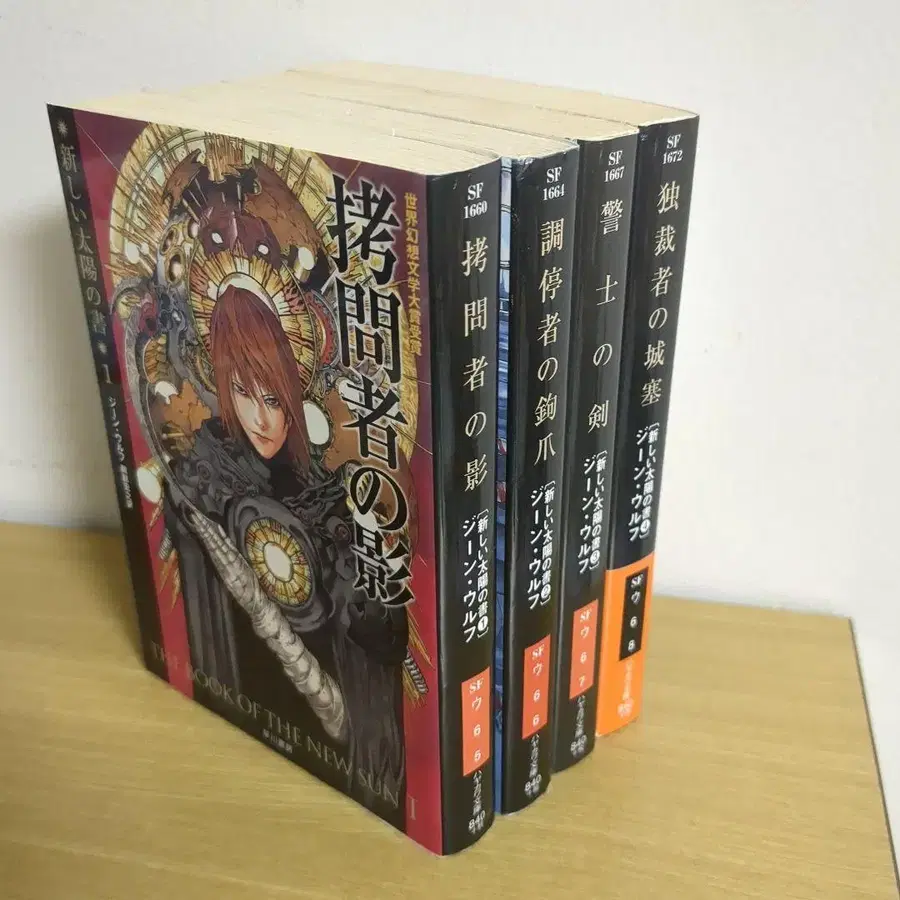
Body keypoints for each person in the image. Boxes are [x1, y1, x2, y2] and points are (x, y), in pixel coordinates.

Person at [164, 283, 408, 825]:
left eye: (273, 398)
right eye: (242, 391)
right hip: (237, 727)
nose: (260, 419)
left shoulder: (327, 493)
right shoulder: (204, 475)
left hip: (331, 753)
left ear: (296, 392)